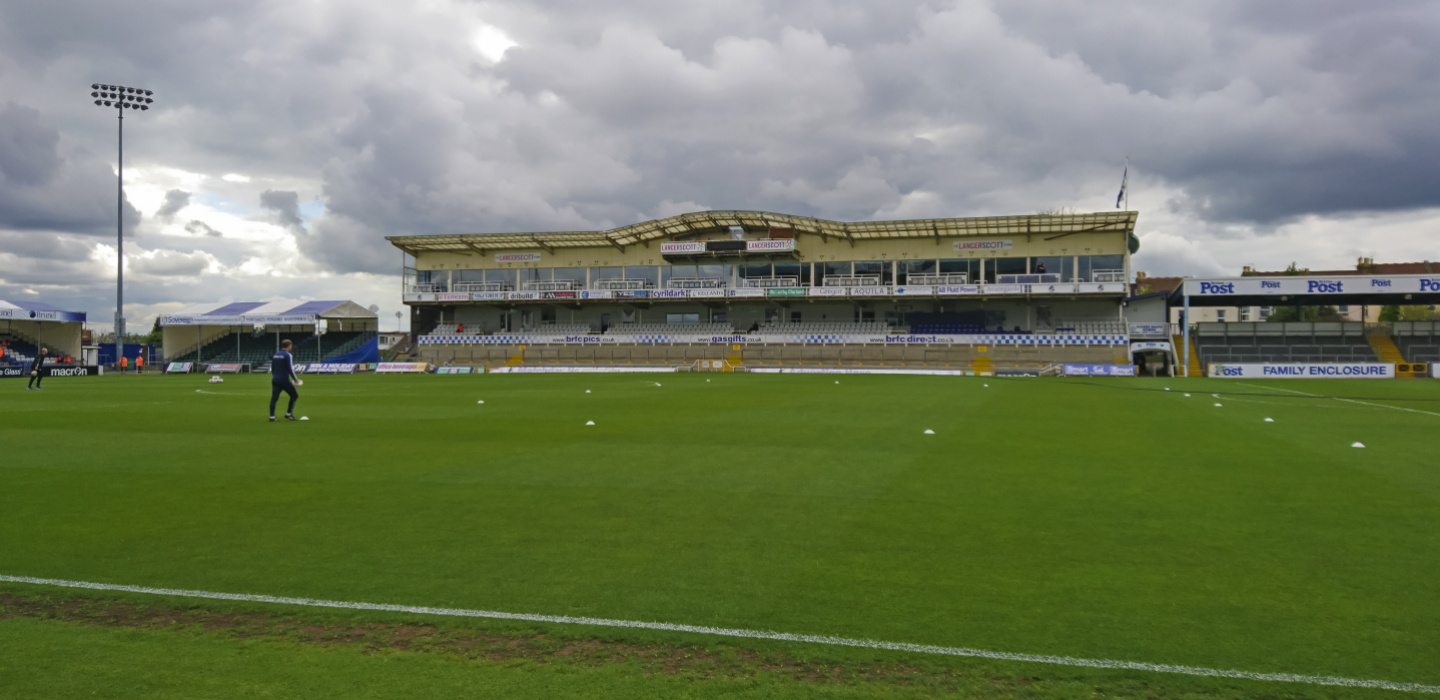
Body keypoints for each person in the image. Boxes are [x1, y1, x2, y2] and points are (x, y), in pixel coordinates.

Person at [269, 339, 303, 422]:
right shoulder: (288, 355)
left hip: (275, 380)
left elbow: (272, 367)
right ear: (289, 346)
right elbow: (290, 368)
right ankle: (288, 414)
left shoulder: (275, 354)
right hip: (284, 380)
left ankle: (272, 417)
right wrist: (295, 379)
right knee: (294, 395)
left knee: (274, 398)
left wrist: (275, 376)